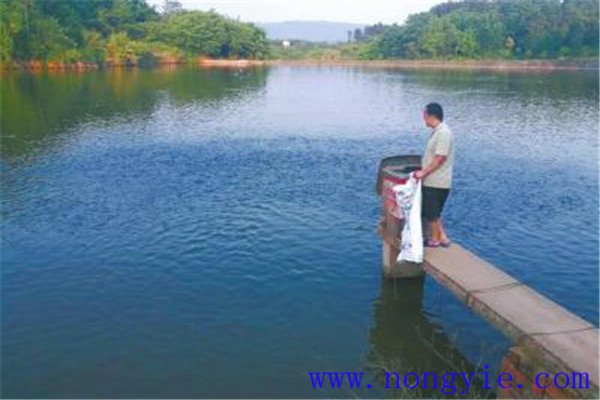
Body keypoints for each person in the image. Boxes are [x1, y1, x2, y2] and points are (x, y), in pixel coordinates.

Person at [414, 103, 455, 248]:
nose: (423, 119)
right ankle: (443, 237)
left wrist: (423, 172)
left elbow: (440, 158)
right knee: (435, 212)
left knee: (431, 213)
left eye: (424, 116)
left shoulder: (443, 133)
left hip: (436, 181)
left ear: (431, 116)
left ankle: (435, 240)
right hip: (436, 180)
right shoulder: (438, 132)